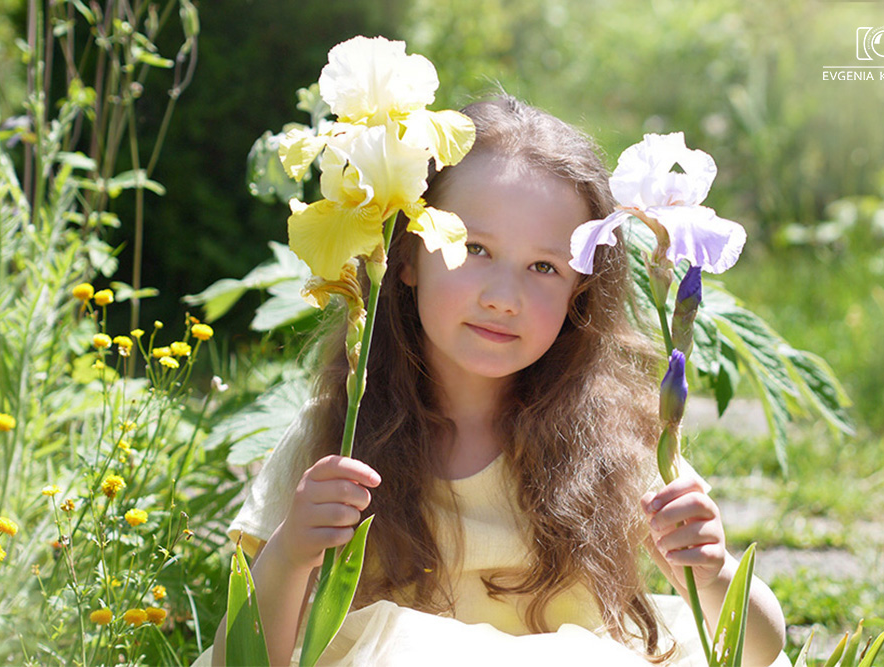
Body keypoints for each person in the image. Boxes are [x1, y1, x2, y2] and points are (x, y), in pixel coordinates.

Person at [205, 96, 787, 666]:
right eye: (473, 248)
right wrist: (290, 552)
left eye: (544, 267)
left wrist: (712, 573)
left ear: (579, 292)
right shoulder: (338, 435)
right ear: (406, 257)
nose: (504, 298)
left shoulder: (613, 441)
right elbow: (242, 660)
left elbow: (762, 650)